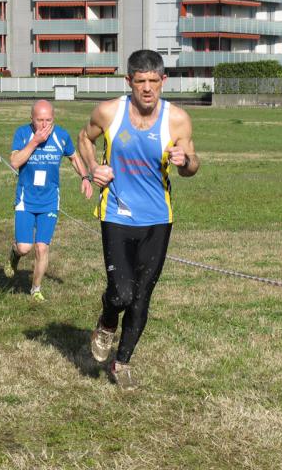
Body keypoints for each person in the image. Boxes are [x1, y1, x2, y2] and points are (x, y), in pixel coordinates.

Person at [78, 49, 200, 390]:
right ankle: (106, 320)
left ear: (164, 81)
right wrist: (93, 169)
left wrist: (184, 160)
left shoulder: (177, 120)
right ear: (128, 81)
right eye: (140, 82)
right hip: (116, 213)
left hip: (157, 218)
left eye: (153, 82)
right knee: (120, 294)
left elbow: (192, 166)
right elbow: (83, 138)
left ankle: (123, 362)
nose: (147, 89)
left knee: (142, 295)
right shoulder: (109, 112)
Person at [4, 100, 93, 302]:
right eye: (39, 120)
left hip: (50, 200)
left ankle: (35, 289)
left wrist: (85, 177)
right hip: (26, 199)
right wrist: (35, 141)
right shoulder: (23, 133)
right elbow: (15, 162)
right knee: (25, 247)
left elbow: (74, 157)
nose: (44, 125)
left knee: (42, 247)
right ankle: (15, 253)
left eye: (48, 120)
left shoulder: (61, 135)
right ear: (31, 119)